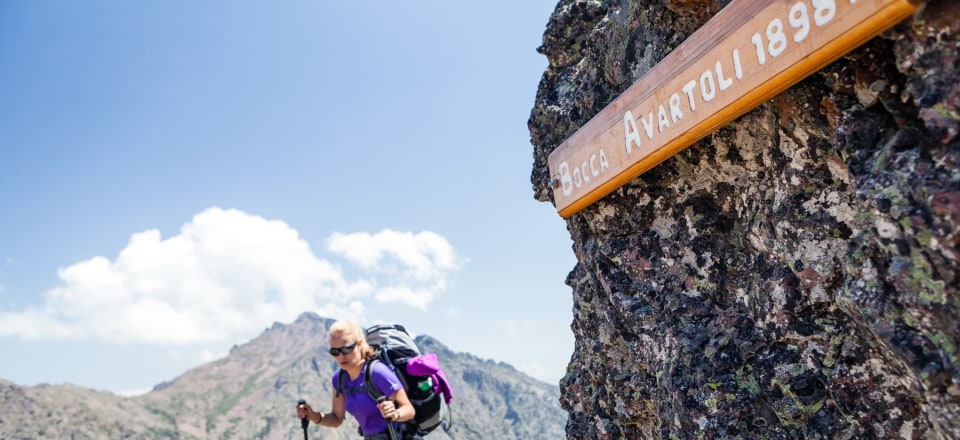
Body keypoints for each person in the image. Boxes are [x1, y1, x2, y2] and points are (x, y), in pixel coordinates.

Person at [297, 320, 417, 439]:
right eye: (335, 352)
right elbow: (336, 418)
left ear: (359, 344)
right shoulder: (339, 379)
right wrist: (313, 416)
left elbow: (409, 410)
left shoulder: (378, 372)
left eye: (346, 349)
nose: (341, 356)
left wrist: (395, 414)